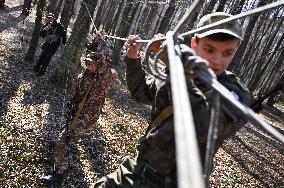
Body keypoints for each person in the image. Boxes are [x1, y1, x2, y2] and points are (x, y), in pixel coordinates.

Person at [91, 12, 255, 187]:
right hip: (139, 169)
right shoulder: (174, 71)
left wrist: (175, 64)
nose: (217, 60)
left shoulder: (233, 91)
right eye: (210, 49)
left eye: (227, 53)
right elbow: (141, 93)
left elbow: (203, 123)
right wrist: (132, 58)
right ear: (194, 43)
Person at [40, 49, 114, 185]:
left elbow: (106, 62)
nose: (89, 66)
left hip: (85, 117)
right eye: (88, 63)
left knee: (63, 141)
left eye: (93, 64)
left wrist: (102, 42)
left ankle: (59, 175)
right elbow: (77, 90)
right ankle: (62, 144)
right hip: (76, 111)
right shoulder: (86, 74)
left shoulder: (102, 80)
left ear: (99, 65)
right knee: (66, 134)